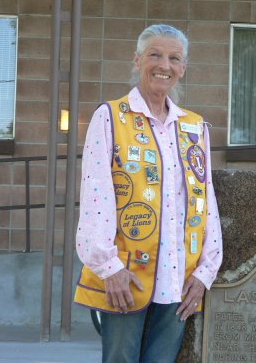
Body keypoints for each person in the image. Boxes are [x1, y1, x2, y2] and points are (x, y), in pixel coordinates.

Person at [74, 24, 223, 362]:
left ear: (183, 68)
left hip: (178, 279)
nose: (164, 65)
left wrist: (205, 272)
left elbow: (205, 198)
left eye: (174, 58)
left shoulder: (194, 126)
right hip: (127, 274)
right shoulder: (111, 117)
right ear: (137, 59)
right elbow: (97, 194)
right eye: (155, 55)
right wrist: (108, 267)